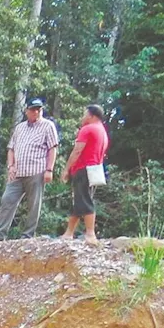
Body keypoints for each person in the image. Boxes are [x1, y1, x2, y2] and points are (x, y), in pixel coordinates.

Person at [0, 98, 60, 240]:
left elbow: (52, 148)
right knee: (7, 200)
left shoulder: (48, 126)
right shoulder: (20, 127)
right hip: (18, 173)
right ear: (27, 111)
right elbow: (11, 148)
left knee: (34, 204)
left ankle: (27, 235)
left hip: (36, 171)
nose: (36, 112)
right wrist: (11, 166)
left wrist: (49, 170)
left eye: (39, 109)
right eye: (33, 109)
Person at [60, 104, 109, 244]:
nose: (83, 117)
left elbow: (77, 151)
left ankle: (90, 234)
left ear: (91, 116)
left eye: (84, 114)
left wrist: (66, 169)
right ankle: (69, 232)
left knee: (85, 200)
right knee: (79, 200)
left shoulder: (87, 129)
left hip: (83, 168)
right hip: (95, 169)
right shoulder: (102, 131)